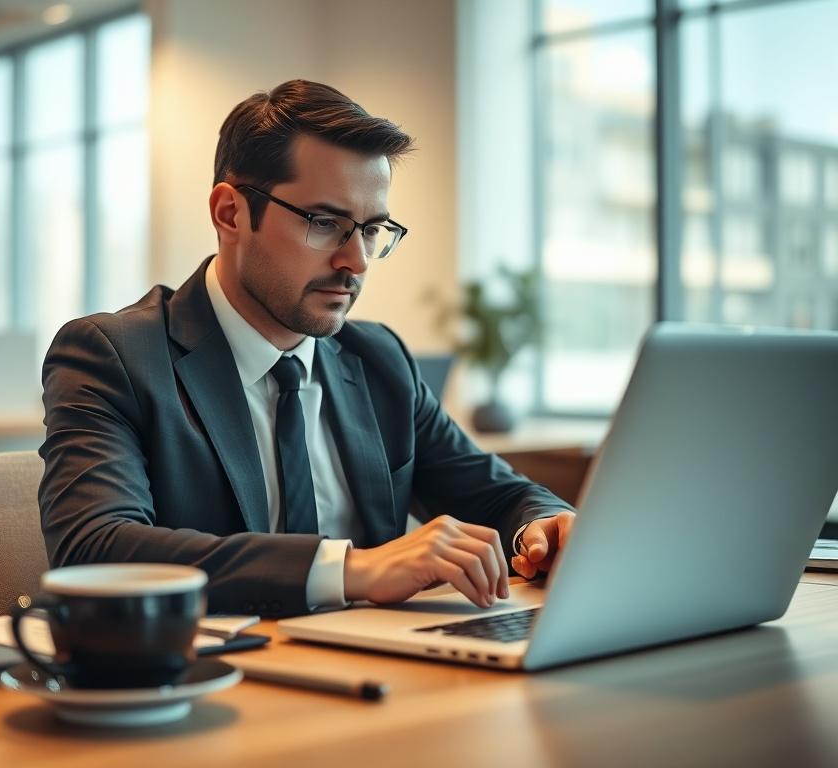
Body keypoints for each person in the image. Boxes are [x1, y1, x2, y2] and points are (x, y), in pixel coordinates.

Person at [39, 79, 575, 618]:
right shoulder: (114, 356)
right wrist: (351, 569)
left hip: (378, 678)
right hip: (212, 678)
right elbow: (95, 548)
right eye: (325, 223)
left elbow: (500, 496)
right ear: (230, 214)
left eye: (371, 229)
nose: (356, 261)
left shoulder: (379, 359)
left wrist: (546, 529)